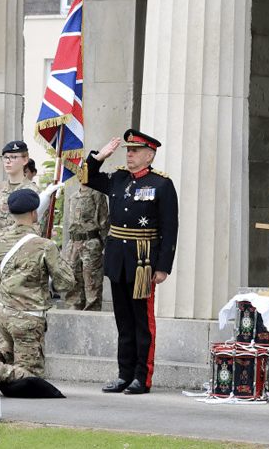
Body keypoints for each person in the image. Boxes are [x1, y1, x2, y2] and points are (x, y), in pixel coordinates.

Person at [84, 129, 179, 395]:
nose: (129, 155)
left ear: (150, 156)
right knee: (123, 322)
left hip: (143, 262)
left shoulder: (161, 185)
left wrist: (162, 266)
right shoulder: (118, 178)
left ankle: (142, 377)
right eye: (128, 150)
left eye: (135, 151)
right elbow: (85, 177)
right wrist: (100, 156)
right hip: (118, 259)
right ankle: (124, 375)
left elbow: (170, 228)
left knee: (142, 322)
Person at [0, 189, 75, 395]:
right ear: (34, 213)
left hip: (3, 313)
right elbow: (66, 284)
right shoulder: (44, 245)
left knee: (11, 356)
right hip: (27, 319)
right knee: (32, 377)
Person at [0, 141, 46, 349]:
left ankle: (21, 361)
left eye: (13, 157)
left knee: (20, 312)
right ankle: (1, 357)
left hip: (21, 264)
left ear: (25, 160)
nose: (8, 161)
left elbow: (37, 230)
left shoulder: (33, 191)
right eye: (5, 157)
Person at [62, 184, 110, 311]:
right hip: (73, 244)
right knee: (72, 283)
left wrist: (103, 247)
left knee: (92, 283)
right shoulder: (73, 197)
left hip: (90, 243)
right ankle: (72, 314)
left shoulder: (97, 196)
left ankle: (91, 317)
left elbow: (104, 222)